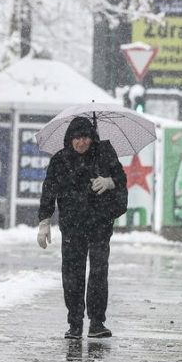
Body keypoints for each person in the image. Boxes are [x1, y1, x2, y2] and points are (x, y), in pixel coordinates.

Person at [38, 115, 128, 340]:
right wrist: (44, 221)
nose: (82, 143)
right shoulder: (60, 160)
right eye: (77, 138)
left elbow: (122, 177)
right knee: (72, 273)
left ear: (92, 137)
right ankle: (75, 323)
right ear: (69, 138)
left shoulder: (104, 153)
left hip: (100, 222)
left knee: (98, 271)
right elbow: (49, 190)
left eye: (86, 137)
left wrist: (110, 181)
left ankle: (97, 322)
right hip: (72, 224)